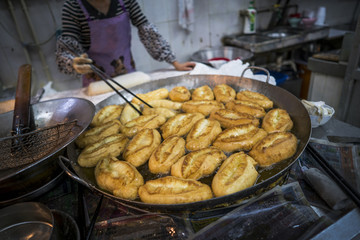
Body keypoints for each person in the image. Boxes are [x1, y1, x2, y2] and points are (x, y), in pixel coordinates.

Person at [56, 0, 196, 87]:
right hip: (97, 82)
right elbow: (68, 45)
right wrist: (73, 63)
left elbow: (147, 30)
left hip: (128, 74)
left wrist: (174, 62)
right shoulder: (73, 7)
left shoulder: (125, 1)